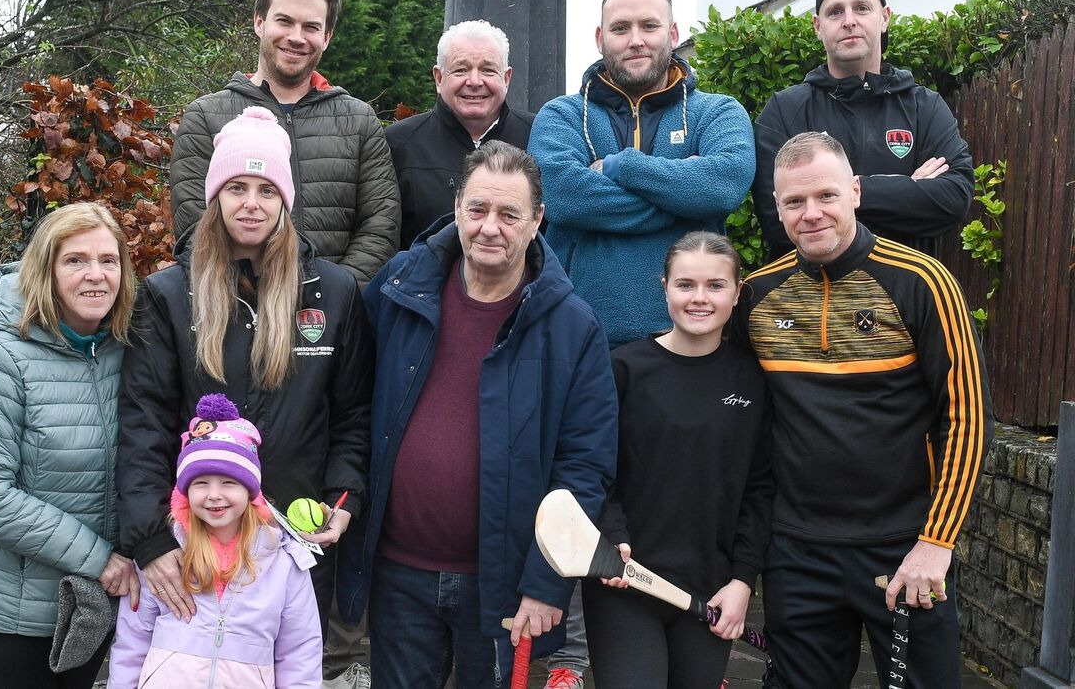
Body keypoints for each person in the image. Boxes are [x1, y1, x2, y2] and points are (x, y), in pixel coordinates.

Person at [337, 141, 618, 688]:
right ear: (458, 206)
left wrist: (546, 581)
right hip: (399, 575)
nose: (490, 227)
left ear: (537, 221)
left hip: (504, 584)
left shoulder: (573, 327)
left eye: (510, 214)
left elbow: (584, 468)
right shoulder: (397, 289)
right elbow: (349, 404)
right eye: (478, 210)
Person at [735, 132, 991, 688]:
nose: (811, 214)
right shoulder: (754, 296)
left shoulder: (924, 281)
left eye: (825, 195)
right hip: (798, 551)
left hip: (904, 547)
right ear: (775, 208)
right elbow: (729, 413)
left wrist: (937, 542)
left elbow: (966, 416)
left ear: (855, 192)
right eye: (794, 202)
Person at [117, 106, 374, 640]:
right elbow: (144, 424)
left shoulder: (333, 292)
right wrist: (149, 540)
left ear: (285, 199)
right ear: (215, 197)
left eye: (266, 189)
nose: (251, 204)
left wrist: (343, 498)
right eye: (237, 187)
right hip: (195, 538)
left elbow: (353, 415)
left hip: (294, 542)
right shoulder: (169, 295)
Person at [0, 202, 138, 689]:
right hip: (15, 599)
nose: (96, 275)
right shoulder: (2, 351)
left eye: (108, 260)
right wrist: (100, 560)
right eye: (75, 260)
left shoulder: (125, 345)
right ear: (45, 269)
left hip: (94, 596)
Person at [585, 231, 772, 689]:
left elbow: (761, 488)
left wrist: (743, 581)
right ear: (664, 287)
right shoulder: (622, 370)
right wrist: (612, 535)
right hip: (626, 584)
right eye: (685, 284)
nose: (700, 298)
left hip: (709, 591)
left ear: (737, 292)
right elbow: (594, 470)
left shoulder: (754, 379)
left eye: (715, 285)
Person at [529, 0, 755, 347]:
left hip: (691, 343)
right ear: (601, 39)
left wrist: (623, 166)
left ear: (672, 34)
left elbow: (723, 185)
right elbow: (562, 195)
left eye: (649, 26)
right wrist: (682, 197)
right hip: (580, 341)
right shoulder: (561, 116)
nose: (636, 40)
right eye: (620, 28)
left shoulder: (718, 112)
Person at [168, 0, 399, 285]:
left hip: (329, 324)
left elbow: (381, 226)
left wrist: (332, 301)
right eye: (284, 21)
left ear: (327, 36)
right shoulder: (206, 118)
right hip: (236, 315)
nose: (296, 37)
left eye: (311, 27)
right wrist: (255, 300)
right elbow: (195, 226)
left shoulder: (359, 122)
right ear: (259, 22)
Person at [753, 0, 974, 261]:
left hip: (905, 297)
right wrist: (908, 188)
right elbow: (777, 222)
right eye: (835, 11)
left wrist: (850, 194)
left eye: (861, 8)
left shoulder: (925, 107)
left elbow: (954, 200)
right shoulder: (784, 111)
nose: (849, 21)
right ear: (818, 27)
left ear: (884, 18)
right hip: (810, 300)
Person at [108, 394, 322, 688]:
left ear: (250, 491)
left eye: (229, 482)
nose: (214, 495)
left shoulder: (284, 560)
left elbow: (300, 653)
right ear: (185, 491)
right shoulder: (164, 555)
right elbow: (131, 643)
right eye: (201, 483)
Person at [386, 19, 533, 249]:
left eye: (487, 70)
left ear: (506, 78)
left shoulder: (538, 136)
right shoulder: (398, 143)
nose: (474, 81)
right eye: (461, 69)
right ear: (439, 77)